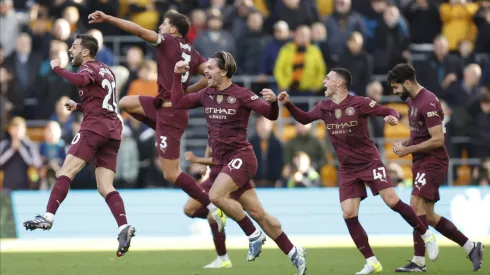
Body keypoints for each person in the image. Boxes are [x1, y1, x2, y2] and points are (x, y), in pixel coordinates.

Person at [278, 67, 439, 275]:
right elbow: (305, 118)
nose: (324, 81)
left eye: (328, 78)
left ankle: (427, 236)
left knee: (391, 201)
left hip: (369, 162)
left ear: (339, 83)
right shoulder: (324, 106)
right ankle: (371, 261)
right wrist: (289, 104)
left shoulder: (359, 103)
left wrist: (391, 117)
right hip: (347, 168)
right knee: (348, 213)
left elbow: (389, 111)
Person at [170, 52, 307, 275]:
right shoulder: (206, 94)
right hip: (223, 164)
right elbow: (177, 102)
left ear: (223, 71)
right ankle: (294, 252)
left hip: (242, 158)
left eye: (211, 68)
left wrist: (273, 104)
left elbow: (270, 115)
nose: (206, 71)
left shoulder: (242, 94)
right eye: (206, 68)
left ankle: (253, 235)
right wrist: (177, 76)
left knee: (215, 196)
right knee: (259, 213)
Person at [87, 10, 225, 229]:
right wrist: (189, 89)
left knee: (171, 173)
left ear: (172, 29)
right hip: (162, 107)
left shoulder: (167, 41)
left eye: (164, 23)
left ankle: (212, 204)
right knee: (125, 103)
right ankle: (158, 130)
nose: (160, 26)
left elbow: (140, 31)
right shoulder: (192, 52)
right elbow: (211, 75)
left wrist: (109, 18)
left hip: (172, 114)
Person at [23, 34, 135, 257]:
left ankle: (47, 217)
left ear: (85, 52)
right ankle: (123, 226)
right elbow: (103, 102)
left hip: (94, 128)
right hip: (113, 130)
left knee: (66, 171)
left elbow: (80, 80)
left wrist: (58, 69)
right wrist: (80, 106)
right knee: (105, 187)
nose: (71, 51)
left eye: (74, 47)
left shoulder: (89, 68)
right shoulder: (107, 70)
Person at [388, 63, 484, 272]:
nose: (394, 92)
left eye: (396, 87)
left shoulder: (428, 101)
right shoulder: (414, 101)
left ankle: (418, 261)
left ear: (406, 83)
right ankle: (471, 246)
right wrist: (405, 144)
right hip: (421, 161)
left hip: (433, 161)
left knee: (415, 204)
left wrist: (409, 148)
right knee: (428, 215)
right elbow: (418, 134)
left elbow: (438, 140)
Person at [183, 145, 232, 269]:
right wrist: (205, 163)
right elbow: (210, 145)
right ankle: (219, 213)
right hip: (212, 178)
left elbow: (221, 159)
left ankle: (223, 259)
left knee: (212, 217)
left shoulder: (232, 131)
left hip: (228, 179)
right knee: (189, 209)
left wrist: (197, 159)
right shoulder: (214, 127)